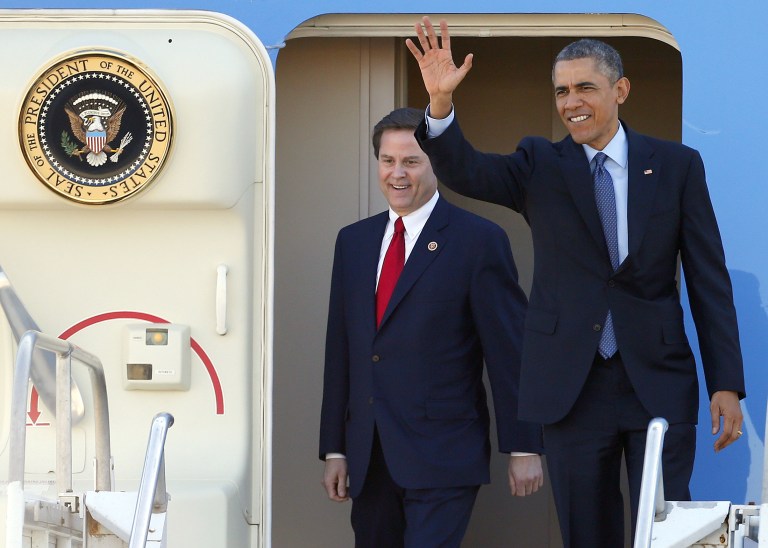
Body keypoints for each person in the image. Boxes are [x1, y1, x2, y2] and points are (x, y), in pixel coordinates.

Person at [406, 17, 746, 547]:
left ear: (620, 90)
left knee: (666, 534)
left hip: (655, 382)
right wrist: (441, 106)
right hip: (571, 388)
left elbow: (708, 278)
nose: (571, 102)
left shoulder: (677, 166)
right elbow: (466, 171)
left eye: (585, 87)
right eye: (562, 91)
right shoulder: (539, 164)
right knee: (587, 536)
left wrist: (725, 382)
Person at [319, 107, 544, 548]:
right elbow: (341, 350)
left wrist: (523, 446)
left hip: (444, 451)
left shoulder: (479, 240)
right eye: (388, 161)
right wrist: (335, 449)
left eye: (411, 161)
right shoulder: (354, 241)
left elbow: (508, 350)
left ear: (435, 163)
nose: (397, 174)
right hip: (370, 455)